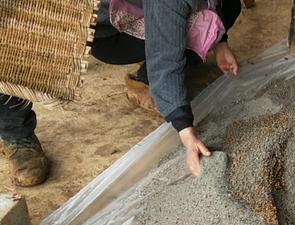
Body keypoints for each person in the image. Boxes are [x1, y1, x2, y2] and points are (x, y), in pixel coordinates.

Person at [0, 0, 240, 187]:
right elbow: (165, 60)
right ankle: (16, 133)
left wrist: (221, 42)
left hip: (139, 10)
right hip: (102, 26)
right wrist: (186, 133)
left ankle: (147, 76)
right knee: (10, 37)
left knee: (215, 14)